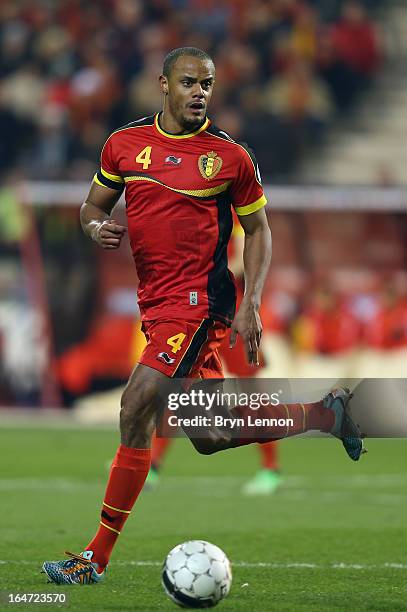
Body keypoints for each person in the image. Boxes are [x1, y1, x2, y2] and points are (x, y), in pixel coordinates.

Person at [42, 47, 364, 585]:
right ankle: (326, 414)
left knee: (135, 407)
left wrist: (252, 302)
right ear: (163, 84)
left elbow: (259, 229)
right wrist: (96, 228)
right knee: (208, 433)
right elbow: (92, 207)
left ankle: (93, 559)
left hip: (197, 305)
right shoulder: (124, 145)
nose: (199, 93)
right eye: (189, 82)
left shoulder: (230, 157)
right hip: (156, 304)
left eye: (207, 84)